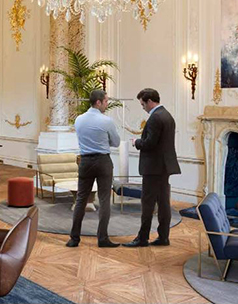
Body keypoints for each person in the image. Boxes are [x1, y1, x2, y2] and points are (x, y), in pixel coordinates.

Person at [124, 88, 181, 248]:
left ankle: (142, 238)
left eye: (143, 104)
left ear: (149, 101)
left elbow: (150, 143)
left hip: (153, 168)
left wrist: (136, 142)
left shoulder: (155, 117)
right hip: (164, 166)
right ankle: (163, 237)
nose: (143, 108)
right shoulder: (167, 115)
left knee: (147, 203)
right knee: (163, 203)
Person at [67, 90, 121, 248]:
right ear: (98, 102)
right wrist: (103, 141)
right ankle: (102, 238)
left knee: (81, 199)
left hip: (85, 161)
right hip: (103, 161)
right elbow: (116, 142)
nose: (107, 104)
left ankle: (74, 238)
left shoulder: (79, 119)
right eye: (106, 101)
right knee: (104, 200)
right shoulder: (107, 121)